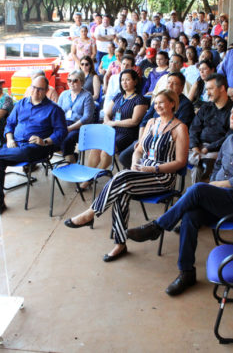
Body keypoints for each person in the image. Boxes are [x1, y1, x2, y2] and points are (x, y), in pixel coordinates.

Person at [127, 95, 233, 296]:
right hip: (222, 197)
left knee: (197, 189)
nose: (232, 116)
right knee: (190, 216)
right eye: (232, 113)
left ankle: (158, 226)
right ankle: (187, 272)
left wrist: (219, 184)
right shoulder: (230, 139)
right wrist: (215, 183)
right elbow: (219, 166)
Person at [65, 89, 189, 263]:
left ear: (172, 104)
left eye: (162, 102)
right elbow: (138, 151)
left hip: (162, 177)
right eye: (155, 102)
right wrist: (134, 165)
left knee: (122, 179)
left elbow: (181, 162)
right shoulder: (152, 122)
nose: (157, 106)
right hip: (139, 173)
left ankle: (91, 213)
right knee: (121, 190)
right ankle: (120, 244)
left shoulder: (180, 128)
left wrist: (154, 169)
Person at [0, 75, 67, 210]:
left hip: (37, 147)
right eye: (33, 87)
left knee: (5, 154)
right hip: (15, 145)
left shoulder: (53, 109)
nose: (35, 91)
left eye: (40, 89)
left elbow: (61, 132)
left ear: (46, 91)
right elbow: (9, 123)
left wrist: (44, 141)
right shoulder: (21, 104)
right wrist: (9, 138)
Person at [119, 72, 194, 169]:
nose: (170, 86)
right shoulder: (159, 99)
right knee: (124, 157)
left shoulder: (186, 105)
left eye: (174, 83)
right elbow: (145, 121)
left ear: (182, 87)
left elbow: (179, 131)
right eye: (168, 82)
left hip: (166, 143)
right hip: (150, 137)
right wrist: (142, 140)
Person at [82, 69, 148, 181]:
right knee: (96, 147)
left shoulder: (140, 99)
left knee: (106, 150)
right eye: (122, 80)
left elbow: (134, 121)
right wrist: (108, 121)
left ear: (135, 81)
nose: (124, 82)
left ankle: (94, 177)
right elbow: (107, 112)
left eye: (127, 80)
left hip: (127, 133)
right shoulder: (118, 96)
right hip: (112, 129)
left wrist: (113, 122)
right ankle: (88, 175)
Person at [188, 74, 233, 183]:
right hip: (199, 148)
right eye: (206, 89)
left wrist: (208, 149)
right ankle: (201, 161)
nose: (207, 93)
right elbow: (194, 128)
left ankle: (200, 162)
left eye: (210, 89)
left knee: (199, 169)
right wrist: (195, 146)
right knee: (194, 163)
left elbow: (230, 136)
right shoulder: (205, 107)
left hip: (219, 150)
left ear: (222, 88)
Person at [57, 70, 95, 163]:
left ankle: (71, 162)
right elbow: (57, 112)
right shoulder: (64, 94)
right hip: (64, 123)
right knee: (49, 136)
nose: (71, 83)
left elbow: (86, 118)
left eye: (75, 80)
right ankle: (71, 157)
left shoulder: (87, 96)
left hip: (80, 126)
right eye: (69, 80)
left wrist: (69, 128)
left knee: (66, 140)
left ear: (82, 82)